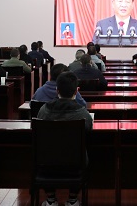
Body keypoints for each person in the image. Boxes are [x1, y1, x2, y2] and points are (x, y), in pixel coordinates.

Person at [36, 71, 92, 206]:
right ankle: (72, 198)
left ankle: (50, 198)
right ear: (76, 91)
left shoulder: (43, 111)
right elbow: (89, 131)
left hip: (46, 164)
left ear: (57, 90)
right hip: (76, 165)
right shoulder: (83, 114)